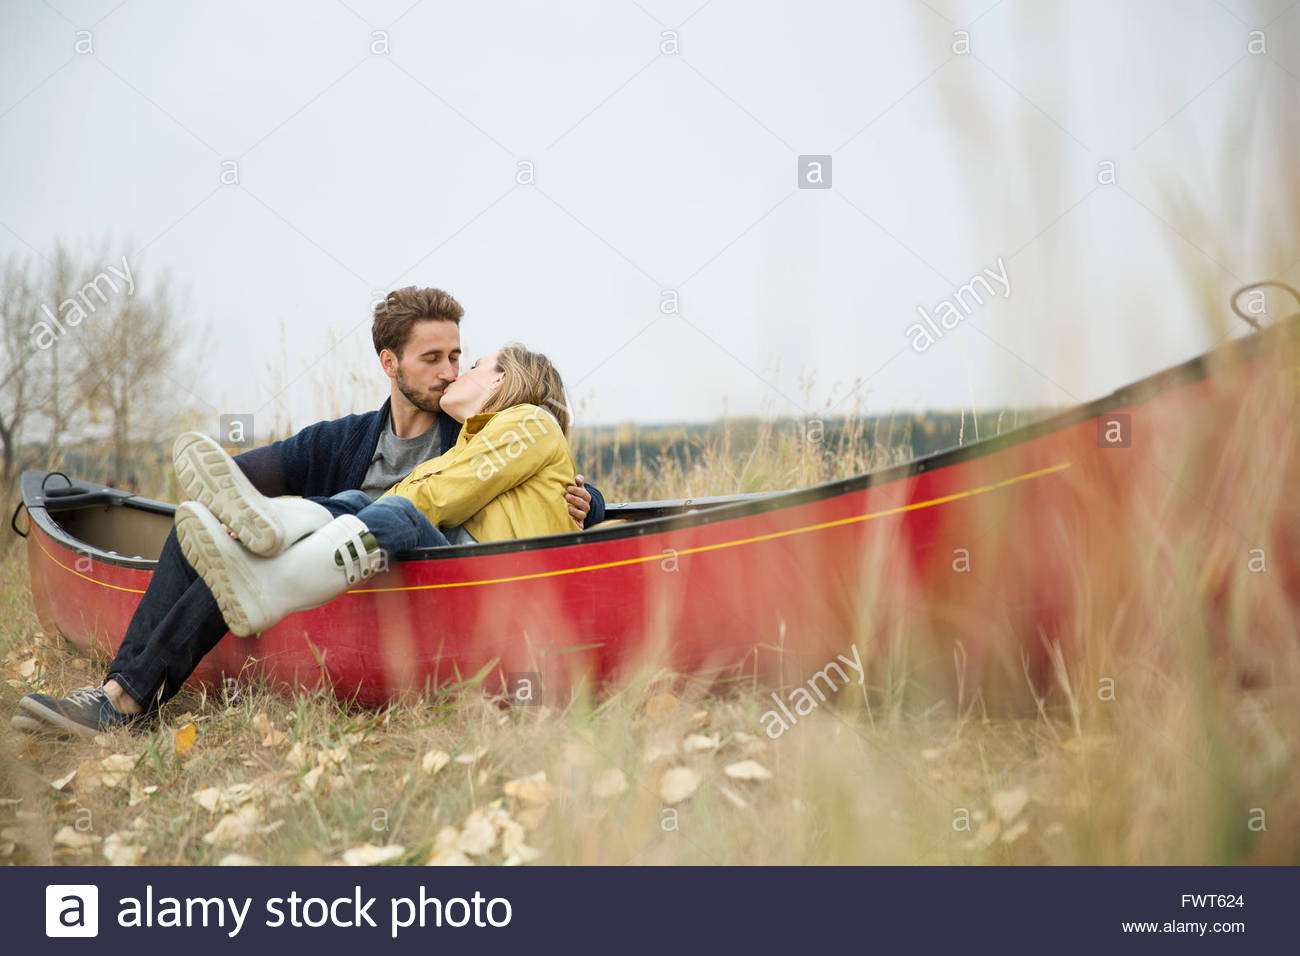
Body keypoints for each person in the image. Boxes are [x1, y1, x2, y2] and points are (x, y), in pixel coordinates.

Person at [12, 288, 605, 739]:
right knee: (199, 530)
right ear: (389, 363)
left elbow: (535, 479)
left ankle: (266, 546)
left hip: (408, 566)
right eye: (433, 358)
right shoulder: (343, 440)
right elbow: (243, 474)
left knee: (365, 507)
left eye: (459, 357)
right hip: (341, 554)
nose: (451, 371)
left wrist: (591, 501)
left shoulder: (475, 428)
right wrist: (225, 506)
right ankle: (120, 695)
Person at [173, 344, 577, 637]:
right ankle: (269, 523)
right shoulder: (473, 441)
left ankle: (271, 582)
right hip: (467, 578)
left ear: (502, 378)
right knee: (357, 501)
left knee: (391, 511)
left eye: (473, 365)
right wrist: (362, 513)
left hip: (497, 592)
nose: (457, 373)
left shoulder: (531, 422)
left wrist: (376, 514)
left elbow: (440, 495)